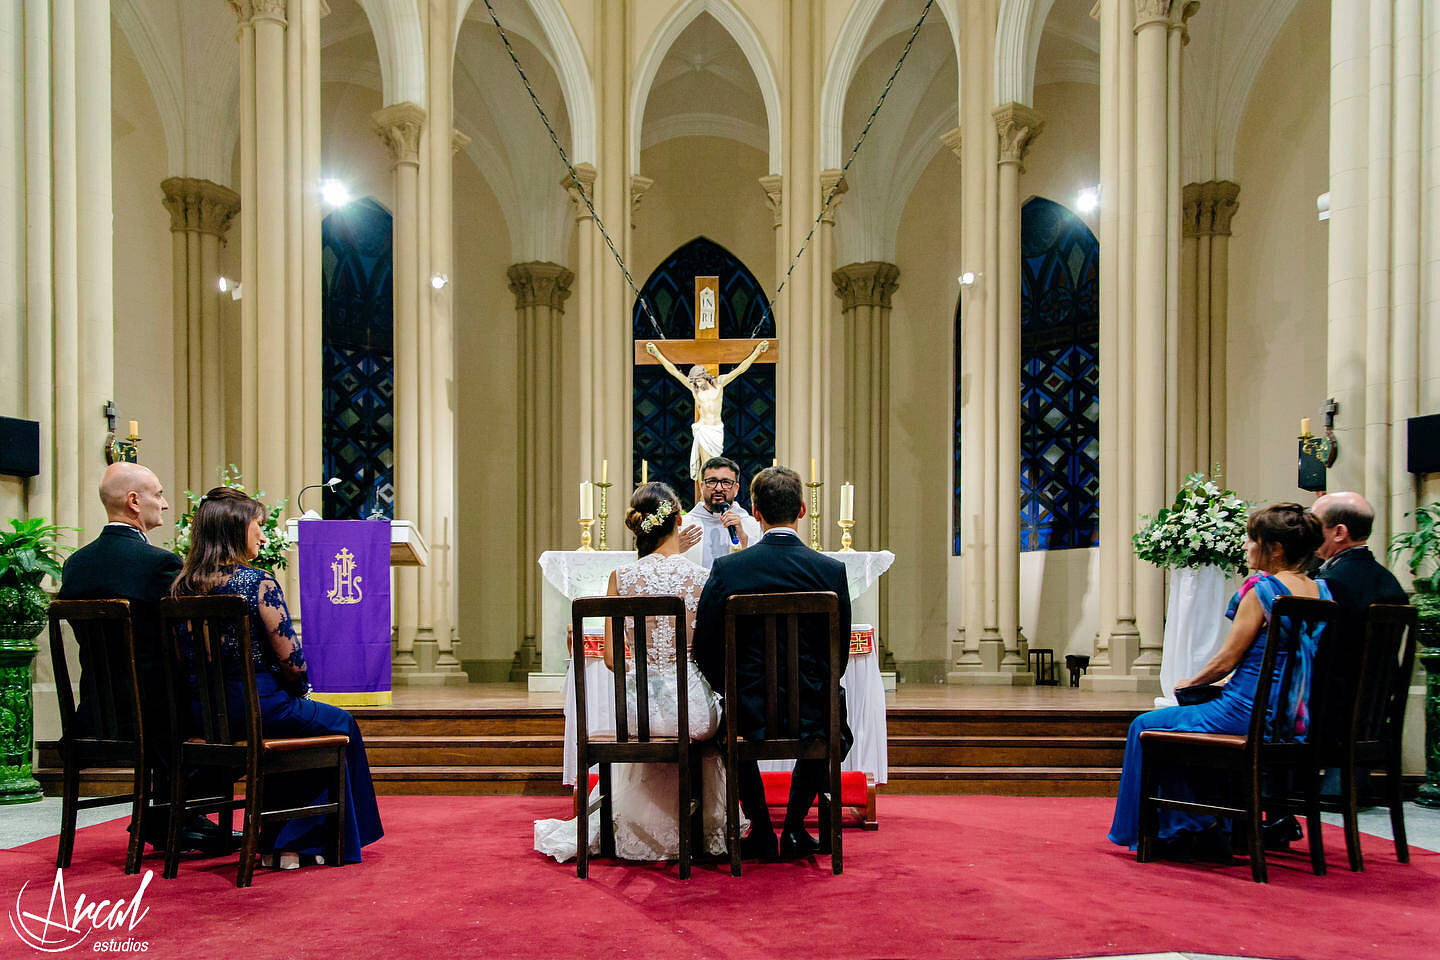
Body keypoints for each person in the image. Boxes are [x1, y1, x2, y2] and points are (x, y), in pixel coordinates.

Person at [170, 487, 382, 868]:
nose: (264, 537)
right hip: (260, 706)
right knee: (338, 723)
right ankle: (313, 841)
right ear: (237, 531)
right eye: (258, 528)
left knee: (296, 729)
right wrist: (299, 689)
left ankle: (277, 843)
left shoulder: (181, 588)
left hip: (204, 713)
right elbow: (292, 660)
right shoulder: (257, 583)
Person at [1107, 502, 1330, 858]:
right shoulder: (1322, 591)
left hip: (1246, 711)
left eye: (1252, 540)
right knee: (1180, 732)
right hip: (1291, 717)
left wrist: (1189, 682)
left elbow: (1227, 659)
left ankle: (1181, 828)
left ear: (1275, 548)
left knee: (1146, 726)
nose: (1246, 547)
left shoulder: (1263, 590)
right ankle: (1205, 826)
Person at [535, 482, 738, 862]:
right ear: (679, 521)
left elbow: (612, 660)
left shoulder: (621, 578)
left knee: (641, 716)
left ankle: (636, 828)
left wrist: (645, 676)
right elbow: (713, 654)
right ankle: (703, 827)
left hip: (637, 712)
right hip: (692, 712)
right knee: (706, 718)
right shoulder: (702, 578)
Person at [58, 462, 233, 855]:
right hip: (156, 716)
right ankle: (174, 815)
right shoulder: (160, 564)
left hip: (96, 713)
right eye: (158, 494)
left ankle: (171, 814)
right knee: (232, 720)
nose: (166, 504)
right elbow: (188, 640)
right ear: (134, 502)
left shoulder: (75, 565)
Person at [692, 465, 853, 861]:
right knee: (837, 718)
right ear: (801, 510)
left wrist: (729, 687)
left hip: (748, 710)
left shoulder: (730, 570)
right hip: (814, 710)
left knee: (724, 728)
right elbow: (840, 654)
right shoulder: (831, 571)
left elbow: (705, 647)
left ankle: (762, 828)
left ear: (755, 511)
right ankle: (795, 826)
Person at [645, 339, 769, 478]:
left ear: (704, 376)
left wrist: (757, 352)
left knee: (715, 465)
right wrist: (657, 354)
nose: (696, 383)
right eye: (694, 381)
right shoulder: (694, 389)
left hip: (716, 429)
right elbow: (674, 372)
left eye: (698, 380)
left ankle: (711, 493)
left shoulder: (719, 383)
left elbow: (740, 370)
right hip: (704, 429)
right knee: (706, 466)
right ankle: (704, 497)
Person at [682, 456, 763, 569]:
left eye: (726, 482)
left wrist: (744, 539)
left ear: (736, 489)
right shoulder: (683, 525)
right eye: (712, 481)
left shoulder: (752, 525)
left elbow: (762, 566)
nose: (719, 488)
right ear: (702, 487)